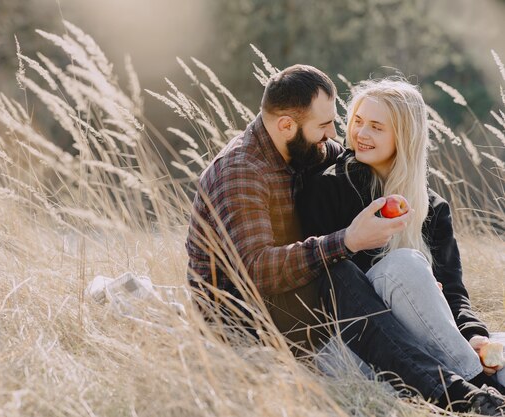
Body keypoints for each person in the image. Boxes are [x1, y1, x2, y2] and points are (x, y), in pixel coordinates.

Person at [185, 64, 505, 415]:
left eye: (340, 121)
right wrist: (349, 240)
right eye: (326, 126)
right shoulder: (242, 173)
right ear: (287, 126)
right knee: (341, 271)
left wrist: (471, 330)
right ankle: (467, 392)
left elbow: (453, 287)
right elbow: (257, 274)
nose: (338, 136)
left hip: (331, 320)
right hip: (251, 325)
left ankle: (473, 390)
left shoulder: (308, 151)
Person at [296, 78, 505, 391]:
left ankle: (473, 383)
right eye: (358, 122)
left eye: (377, 127)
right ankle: (478, 387)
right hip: (357, 348)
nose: (361, 134)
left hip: (426, 348)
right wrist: (413, 285)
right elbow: (331, 282)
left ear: (405, 135)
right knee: (405, 266)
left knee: (499, 347)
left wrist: (474, 334)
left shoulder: (432, 207)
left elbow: (454, 291)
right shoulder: (329, 186)